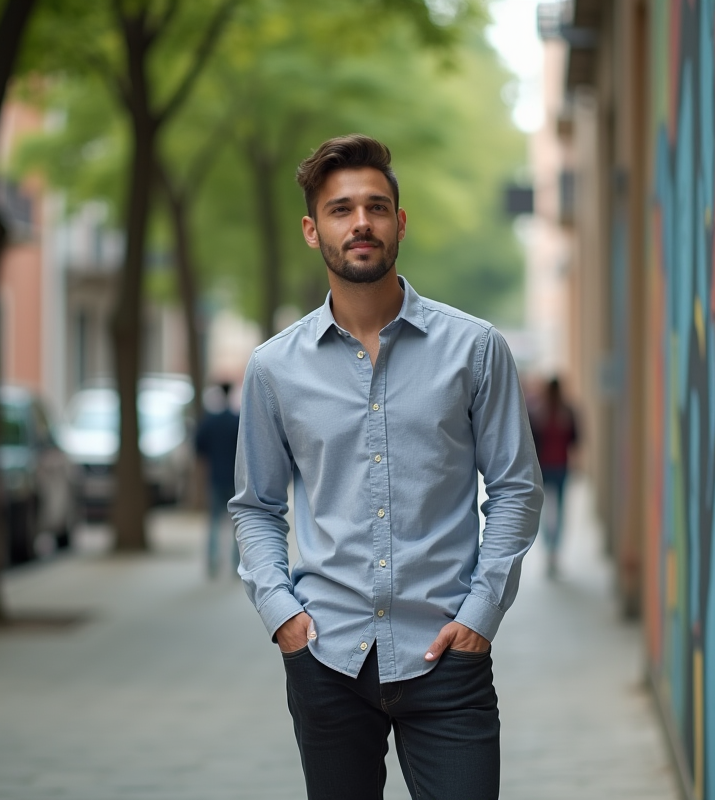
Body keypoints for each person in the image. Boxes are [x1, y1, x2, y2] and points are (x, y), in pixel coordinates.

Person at [230, 134, 544, 800]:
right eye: (341, 210)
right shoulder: (273, 368)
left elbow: (516, 488)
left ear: (400, 223)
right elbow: (256, 505)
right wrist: (282, 613)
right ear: (314, 231)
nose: (361, 222)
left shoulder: (476, 350)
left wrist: (482, 612)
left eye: (376, 206)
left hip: (447, 656)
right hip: (326, 657)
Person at [527, 377, 579, 577]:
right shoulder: (565, 412)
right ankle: (553, 550)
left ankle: (550, 549)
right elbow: (576, 439)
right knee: (558, 510)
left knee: (543, 511)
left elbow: (530, 442)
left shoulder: (538, 413)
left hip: (545, 468)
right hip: (559, 467)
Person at [194, 382, 241, 578]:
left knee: (214, 522)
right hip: (236, 479)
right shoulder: (236, 420)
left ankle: (213, 564)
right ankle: (236, 565)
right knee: (237, 524)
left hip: (215, 478)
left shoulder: (210, 421)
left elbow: (198, 446)